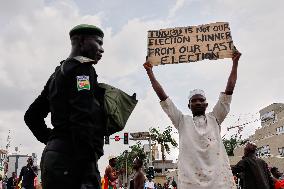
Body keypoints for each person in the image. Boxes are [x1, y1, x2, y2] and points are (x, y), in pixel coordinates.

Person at [24, 24, 137, 189]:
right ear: (82, 41)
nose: (102, 49)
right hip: (73, 163)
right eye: (98, 42)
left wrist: (54, 140)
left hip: (53, 159)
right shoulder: (83, 70)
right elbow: (82, 118)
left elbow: (32, 116)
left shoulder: (57, 74)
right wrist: (87, 167)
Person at [144, 51, 241, 189]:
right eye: (193, 101)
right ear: (188, 106)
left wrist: (235, 63)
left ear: (206, 104)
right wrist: (150, 72)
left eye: (201, 100)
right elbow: (163, 97)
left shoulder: (215, 118)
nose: (197, 103)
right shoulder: (182, 121)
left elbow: (229, 91)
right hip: (191, 184)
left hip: (219, 183)